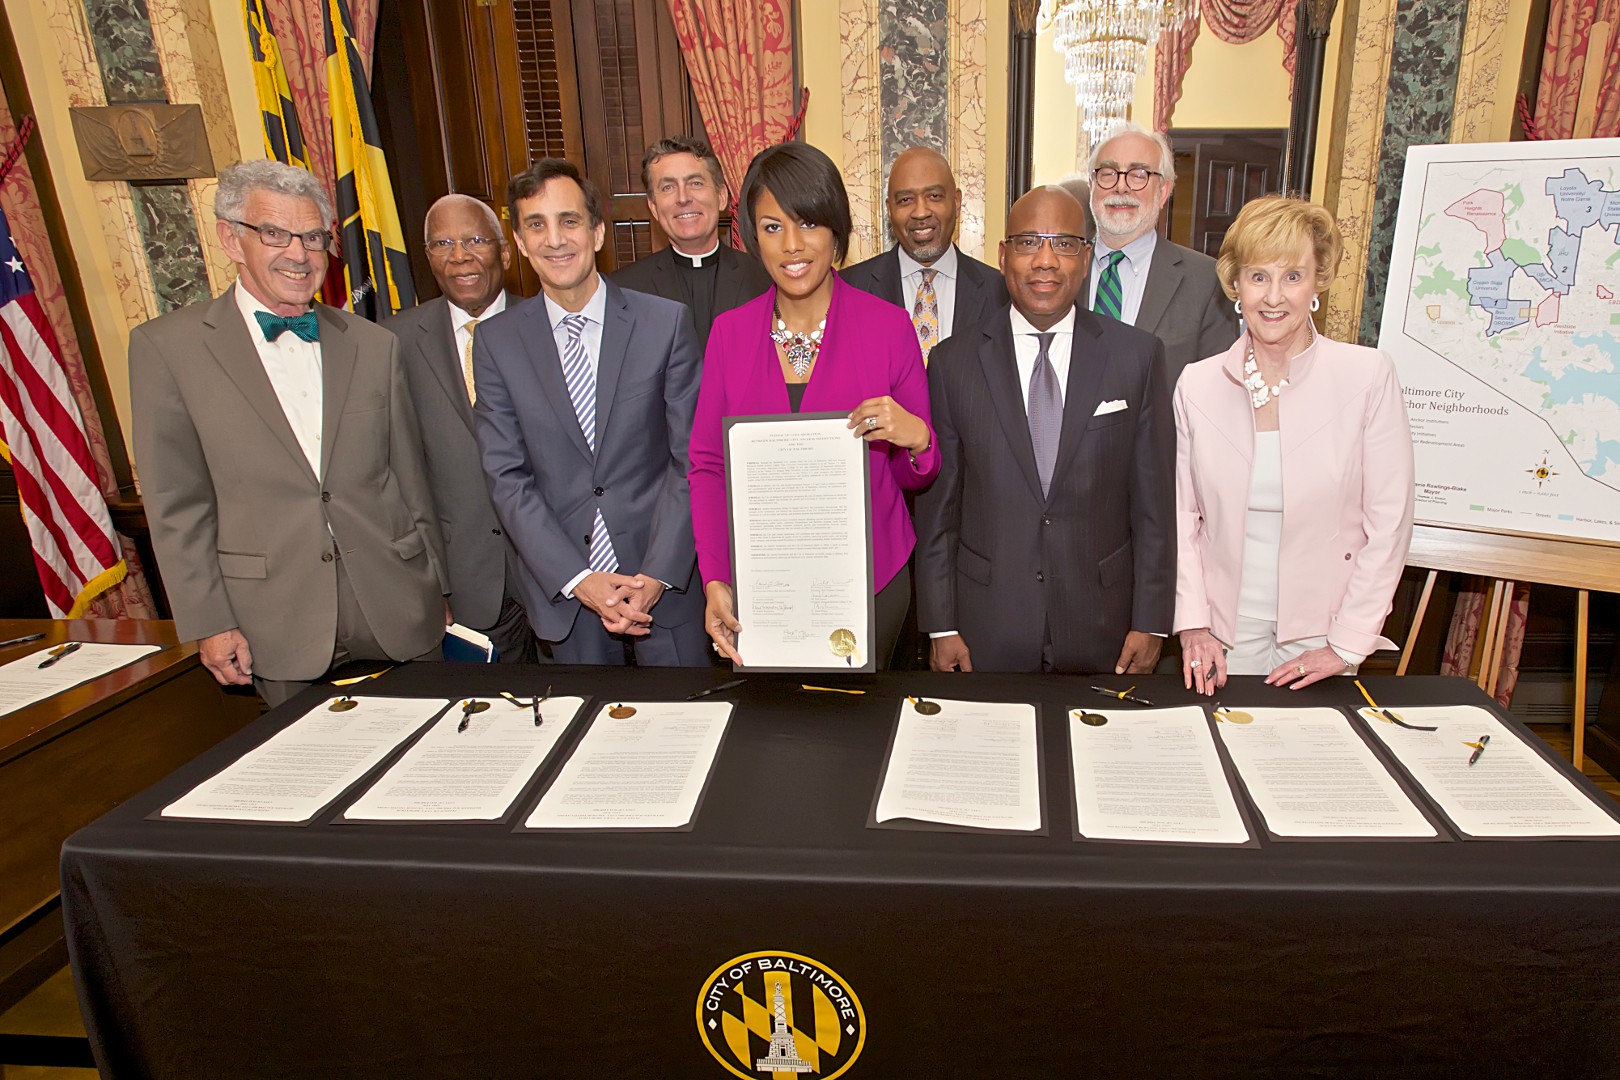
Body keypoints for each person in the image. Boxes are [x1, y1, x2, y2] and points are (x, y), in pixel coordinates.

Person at [129, 160, 448, 706]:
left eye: (312, 237)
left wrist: (438, 588)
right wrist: (211, 621)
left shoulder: (374, 345)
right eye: (274, 234)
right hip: (272, 623)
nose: (298, 254)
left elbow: (408, 478)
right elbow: (176, 506)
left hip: (398, 605)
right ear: (231, 238)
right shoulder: (167, 349)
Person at [689, 142, 939, 669]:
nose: (793, 245)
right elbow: (709, 466)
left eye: (808, 223)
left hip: (870, 582)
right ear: (753, 237)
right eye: (772, 227)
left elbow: (915, 476)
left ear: (836, 230)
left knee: (861, 732)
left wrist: (917, 438)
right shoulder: (728, 335)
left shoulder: (888, 327)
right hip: (761, 586)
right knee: (775, 736)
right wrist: (715, 577)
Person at [915, 186, 1175, 674]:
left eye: (1065, 243)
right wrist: (941, 625)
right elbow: (939, 511)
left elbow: (1155, 505)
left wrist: (1153, 620)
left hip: (1106, 627)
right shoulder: (952, 363)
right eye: (1029, 242)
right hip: (985, 627)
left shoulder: (1136, 357)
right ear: (1003, 255)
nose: (1046, 260)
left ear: (1087, 256)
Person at [1175, 195, 1414, 693]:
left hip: (1322, 635)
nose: (1274, 296)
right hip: (1223, 635)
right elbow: (1182, 520)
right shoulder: (1196, 385)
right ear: (1236, 284)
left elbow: (1389, 521)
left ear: (1318, 282)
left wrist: (1347, 643)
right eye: (1259, 276)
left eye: (1293, 276)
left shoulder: (1367, 376)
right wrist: (1195, 625)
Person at [473, 158, 707, 665]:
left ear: (598, 232)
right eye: (537, 225)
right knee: (582, 740)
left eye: (569, 221)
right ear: (519, 243)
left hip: (664, 593)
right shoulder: (496, 343)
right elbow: (506, 477)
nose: (555, 240)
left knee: (684, 735)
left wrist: (656, 575)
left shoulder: (663, 324)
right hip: (568, 604)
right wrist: (579, 580)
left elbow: (690, 459)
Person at [391, 194, 537, 662]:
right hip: (459, 583)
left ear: (506, 251)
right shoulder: (390, 343)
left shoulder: (552, 327)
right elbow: (391, 474)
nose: (460, 255)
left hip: (559, 576)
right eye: (442, 243)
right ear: (427, 256)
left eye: (475, 239)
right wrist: (424, 582)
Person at [1087, 123, 1238, 379]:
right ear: (1092, 184)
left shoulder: (1206, 281)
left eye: (1138, 174)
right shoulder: (1061, 269)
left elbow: (1217, 392)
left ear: (1164, 191)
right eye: (1109, 173)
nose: (1121, 187)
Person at [841, 146, 1008, 362]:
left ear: (957, 202)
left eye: (934, 196)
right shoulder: (849, 289)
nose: (921, 212)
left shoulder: (1001, 292)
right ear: (889, 209)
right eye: (905, 200)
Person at [610, 136, 771, 351]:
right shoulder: (623, 291)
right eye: (668, 187)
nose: (683, 198)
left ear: (722, 196)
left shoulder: (764, 278)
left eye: (695, 183)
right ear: (654, 207)